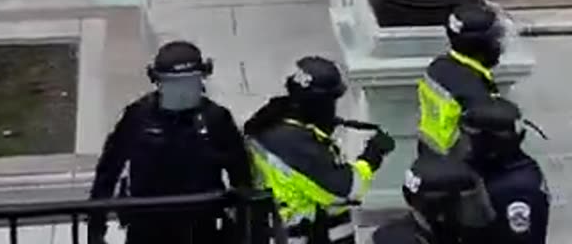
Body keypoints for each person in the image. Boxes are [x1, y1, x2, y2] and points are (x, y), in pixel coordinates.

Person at [87, 40, 251, 244]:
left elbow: (241, 174)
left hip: (201, 225)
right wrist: (96, 226)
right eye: (174, 84)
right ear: (158, 83)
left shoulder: (216, 119)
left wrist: (245, 225)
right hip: (147, 224)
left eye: (190, 83)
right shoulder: (138, 117)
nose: (183, 92)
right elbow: (108, 170)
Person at [244, 55, 397, 244]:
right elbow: (347, 189)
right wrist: (371, 156)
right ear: (318, 103)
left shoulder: (273, 120)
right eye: (330, 101)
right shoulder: (298, 146)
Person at [417, 2, 504, 158]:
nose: (499, 45)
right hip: (457, 169)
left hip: (429, 153)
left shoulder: (438, 66)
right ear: (482, 45)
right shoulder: (475, 92)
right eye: (496, 39)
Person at [461, 97, 550, 243]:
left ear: (491, 143)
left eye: (472, 139)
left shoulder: (516, 190)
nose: (467, 146)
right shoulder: (507, 166)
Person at [372, 155, 497, 244]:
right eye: (462, 206)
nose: (471, 212)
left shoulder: (464, 236)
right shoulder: (393, 240)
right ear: (439, 210)